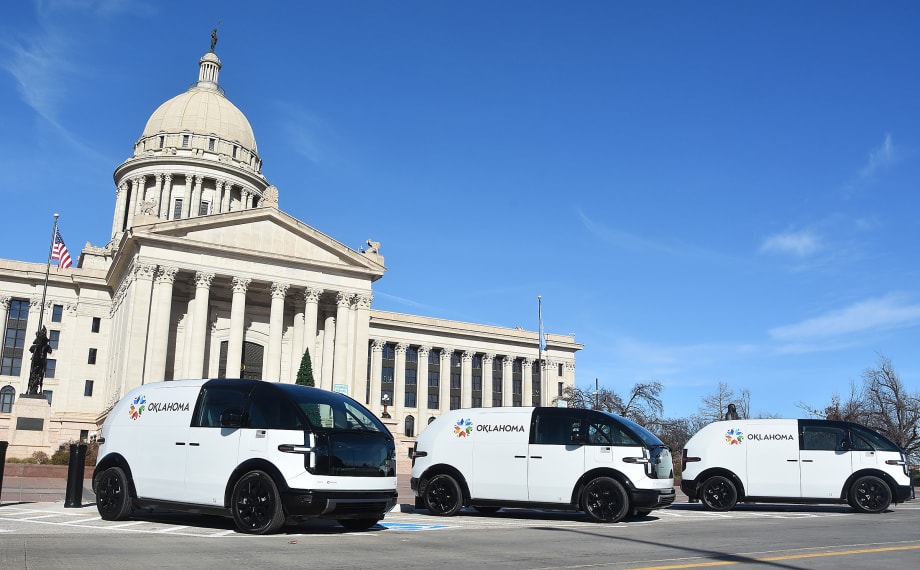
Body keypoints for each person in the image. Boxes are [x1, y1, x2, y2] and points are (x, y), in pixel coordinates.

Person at [28, 326, 52, 395]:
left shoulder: (46, 346)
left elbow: (50, 351)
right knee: (36, 348)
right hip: (36, 361)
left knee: (42, 373)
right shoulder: (37, 344)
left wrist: (47, 349)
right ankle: (30, 388)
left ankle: (40, 389)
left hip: (42, 362)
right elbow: (31, 348)